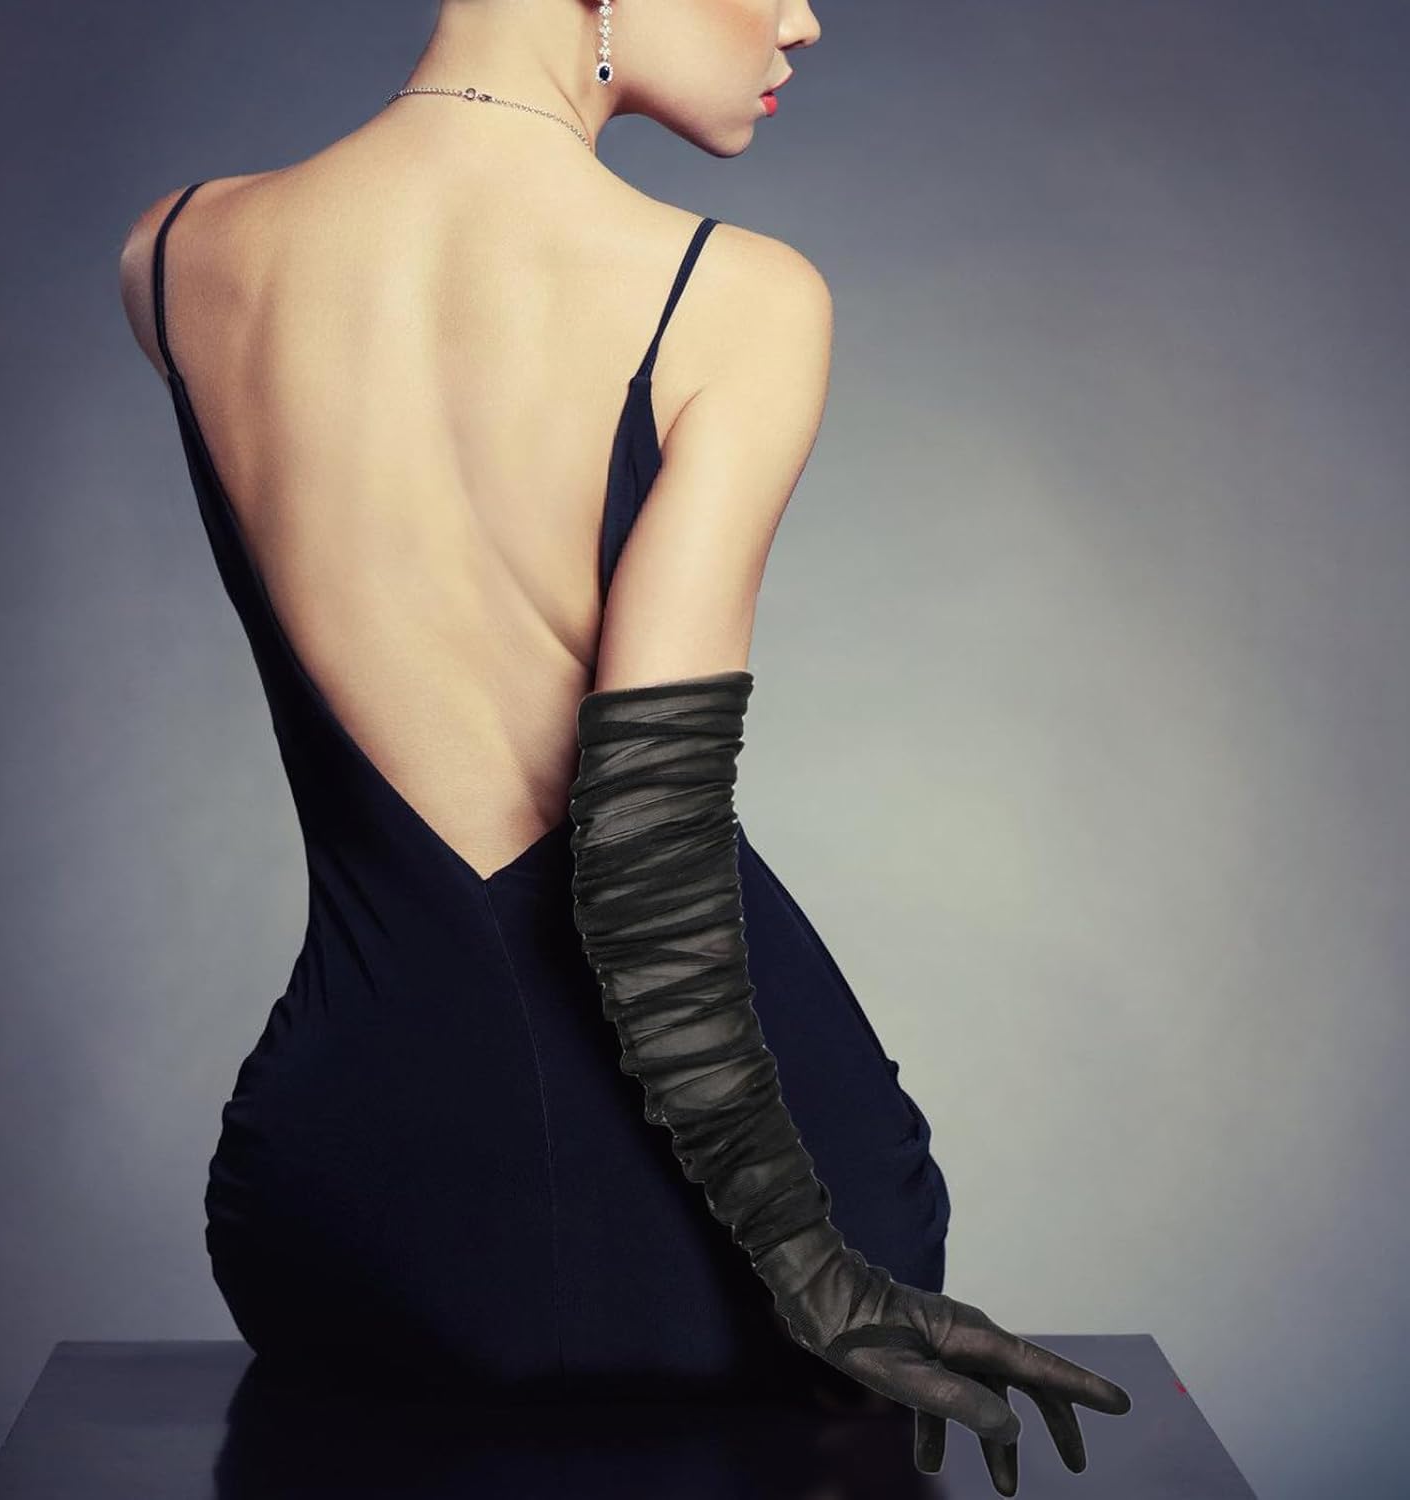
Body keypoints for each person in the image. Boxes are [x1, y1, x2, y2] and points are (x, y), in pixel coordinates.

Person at [118, 2, 1131, 1493]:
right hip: (743, 1244)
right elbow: (647, 853)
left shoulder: (176, 252)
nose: (803, 18)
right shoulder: (738, 297)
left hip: (355, 1217)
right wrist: (816, 1269)